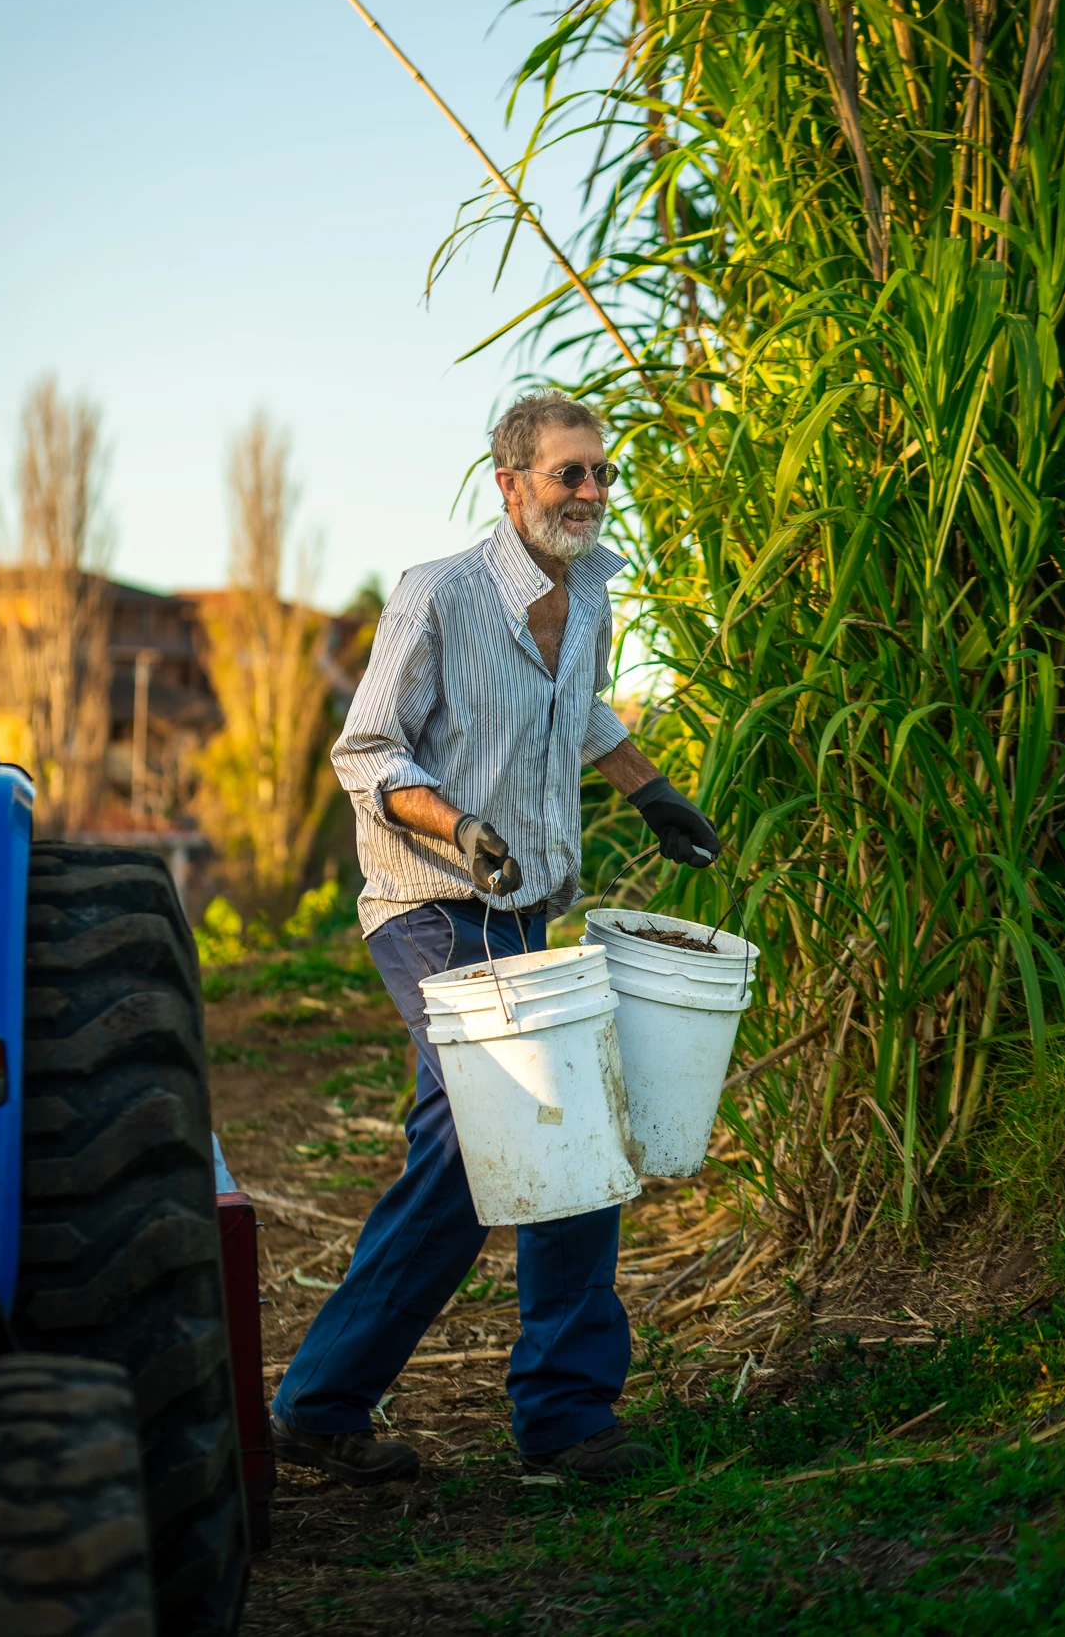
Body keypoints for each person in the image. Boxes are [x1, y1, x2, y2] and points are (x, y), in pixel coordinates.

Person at [270, 391, 720, 1485]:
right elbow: (367, 753)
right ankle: (560, 1418)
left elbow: (586, 712)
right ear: (510, 482)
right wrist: (459, 827)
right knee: (514, 1126)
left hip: (526, 910)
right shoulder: (439, 596)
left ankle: (329, 1404)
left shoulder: (593, 591)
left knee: (511, 1139)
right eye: (570, 474)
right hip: (426, 907)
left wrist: (652, 789)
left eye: (602, 474)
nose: (592, 494)